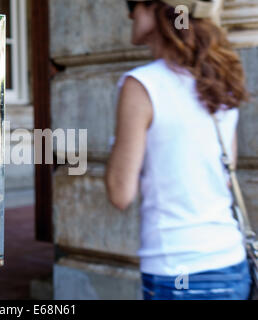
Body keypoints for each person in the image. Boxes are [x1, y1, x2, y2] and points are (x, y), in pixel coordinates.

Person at [105, 0, 252, 300]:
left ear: (159, 9)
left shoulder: (143, 85)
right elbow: (226, 176)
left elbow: (120, 194)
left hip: (177, 271)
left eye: (134, 3)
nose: (130, 12)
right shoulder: (219, 82)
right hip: (232, 264)